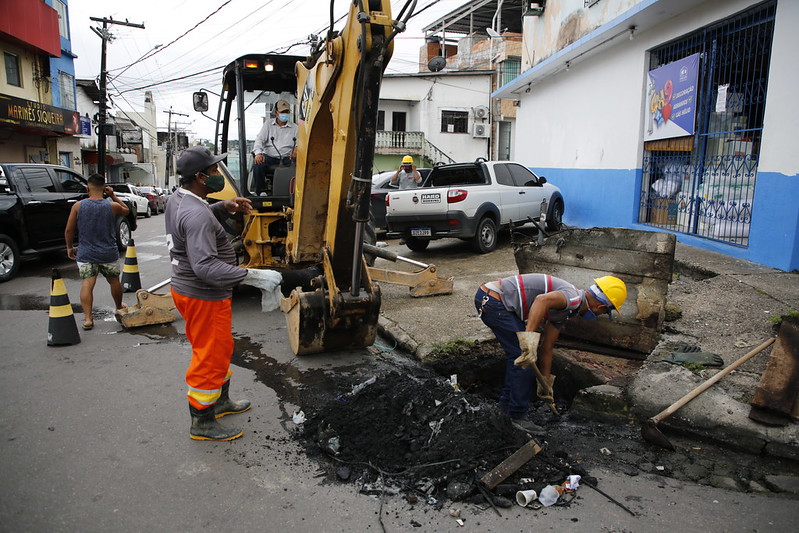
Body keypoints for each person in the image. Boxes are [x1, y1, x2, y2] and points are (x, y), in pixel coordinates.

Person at [166, 145, 281, 441]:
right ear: (201, 177)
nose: (219, 174)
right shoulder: (196, 215)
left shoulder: (181, 200)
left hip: (187, 290)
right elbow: (205, 266)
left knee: (219, 348)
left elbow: (198, 216)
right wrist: (252, 275)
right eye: (215, 170)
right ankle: (202, 422)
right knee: (210, 356)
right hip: (203, 294)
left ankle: (220, 401)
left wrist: (223, 207)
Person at [475, 274, 627, 434]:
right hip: (493, 301)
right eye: (603, 313)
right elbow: (541, 300)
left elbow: (547, 347)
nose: (599, 315)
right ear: (601, 308)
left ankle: (504, 410)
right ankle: (517, 416)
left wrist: (545, 384)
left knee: (519, 359)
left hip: (494, 301)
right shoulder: (573, 298)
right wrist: (528, 340)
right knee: (525, 361)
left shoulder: (567, 310)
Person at [64, 174, 130, 330]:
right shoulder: (111, 206)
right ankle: (119, 307)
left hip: (86, 252)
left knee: (87, 284)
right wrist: (113, 195)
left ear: (87, 188)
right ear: (104, 189)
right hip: (108, 252)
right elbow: (126, 210)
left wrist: (69, 247)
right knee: (114, 281)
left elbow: (69, 229)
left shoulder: (78, 206)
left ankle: (88, 319)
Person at [252, 99, 298, 195]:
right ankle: (260, 192)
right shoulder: (268, 125)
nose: (285, 114)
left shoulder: (295, 128)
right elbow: (259, 139)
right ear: (276, 113)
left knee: (301, 166)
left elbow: (299, 143)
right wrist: (258, 153)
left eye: (287, 112)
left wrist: (296, 150)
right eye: (282, 112)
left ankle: (294, 192)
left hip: (287, 157)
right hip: (270, 157)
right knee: (258, 165)